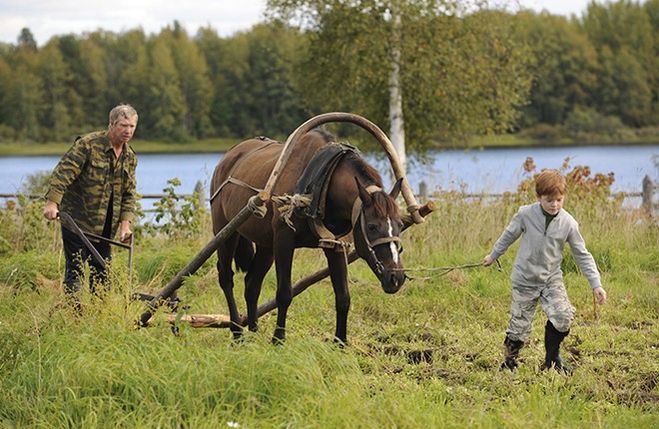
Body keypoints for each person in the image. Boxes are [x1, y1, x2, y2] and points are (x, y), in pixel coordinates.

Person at [482, 169, 607, 374]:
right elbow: (508, 235)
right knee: (519, 326)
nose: (554, 205)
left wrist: (596, 284)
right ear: (539, 197)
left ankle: (552, 359)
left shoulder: (568, 223)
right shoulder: (525, 214)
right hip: (524, 278)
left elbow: (582, 254)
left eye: (559, 200)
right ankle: (509, 363)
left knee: (563, 316)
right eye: (549, 200)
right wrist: (494, 255)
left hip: (551, 279)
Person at [43, 104, 138, 299]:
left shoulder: (130, 156)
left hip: (106, 226)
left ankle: (99, 314)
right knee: (76, 268)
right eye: (123, 125)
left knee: (102, 271)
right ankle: (72, 312)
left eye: (132, 126)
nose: (128, 131)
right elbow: (64, 173)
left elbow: (129, 193)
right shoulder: (88, 145)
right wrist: (52, 203)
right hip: (77, 220)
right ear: (112, 124)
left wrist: (125, 225)